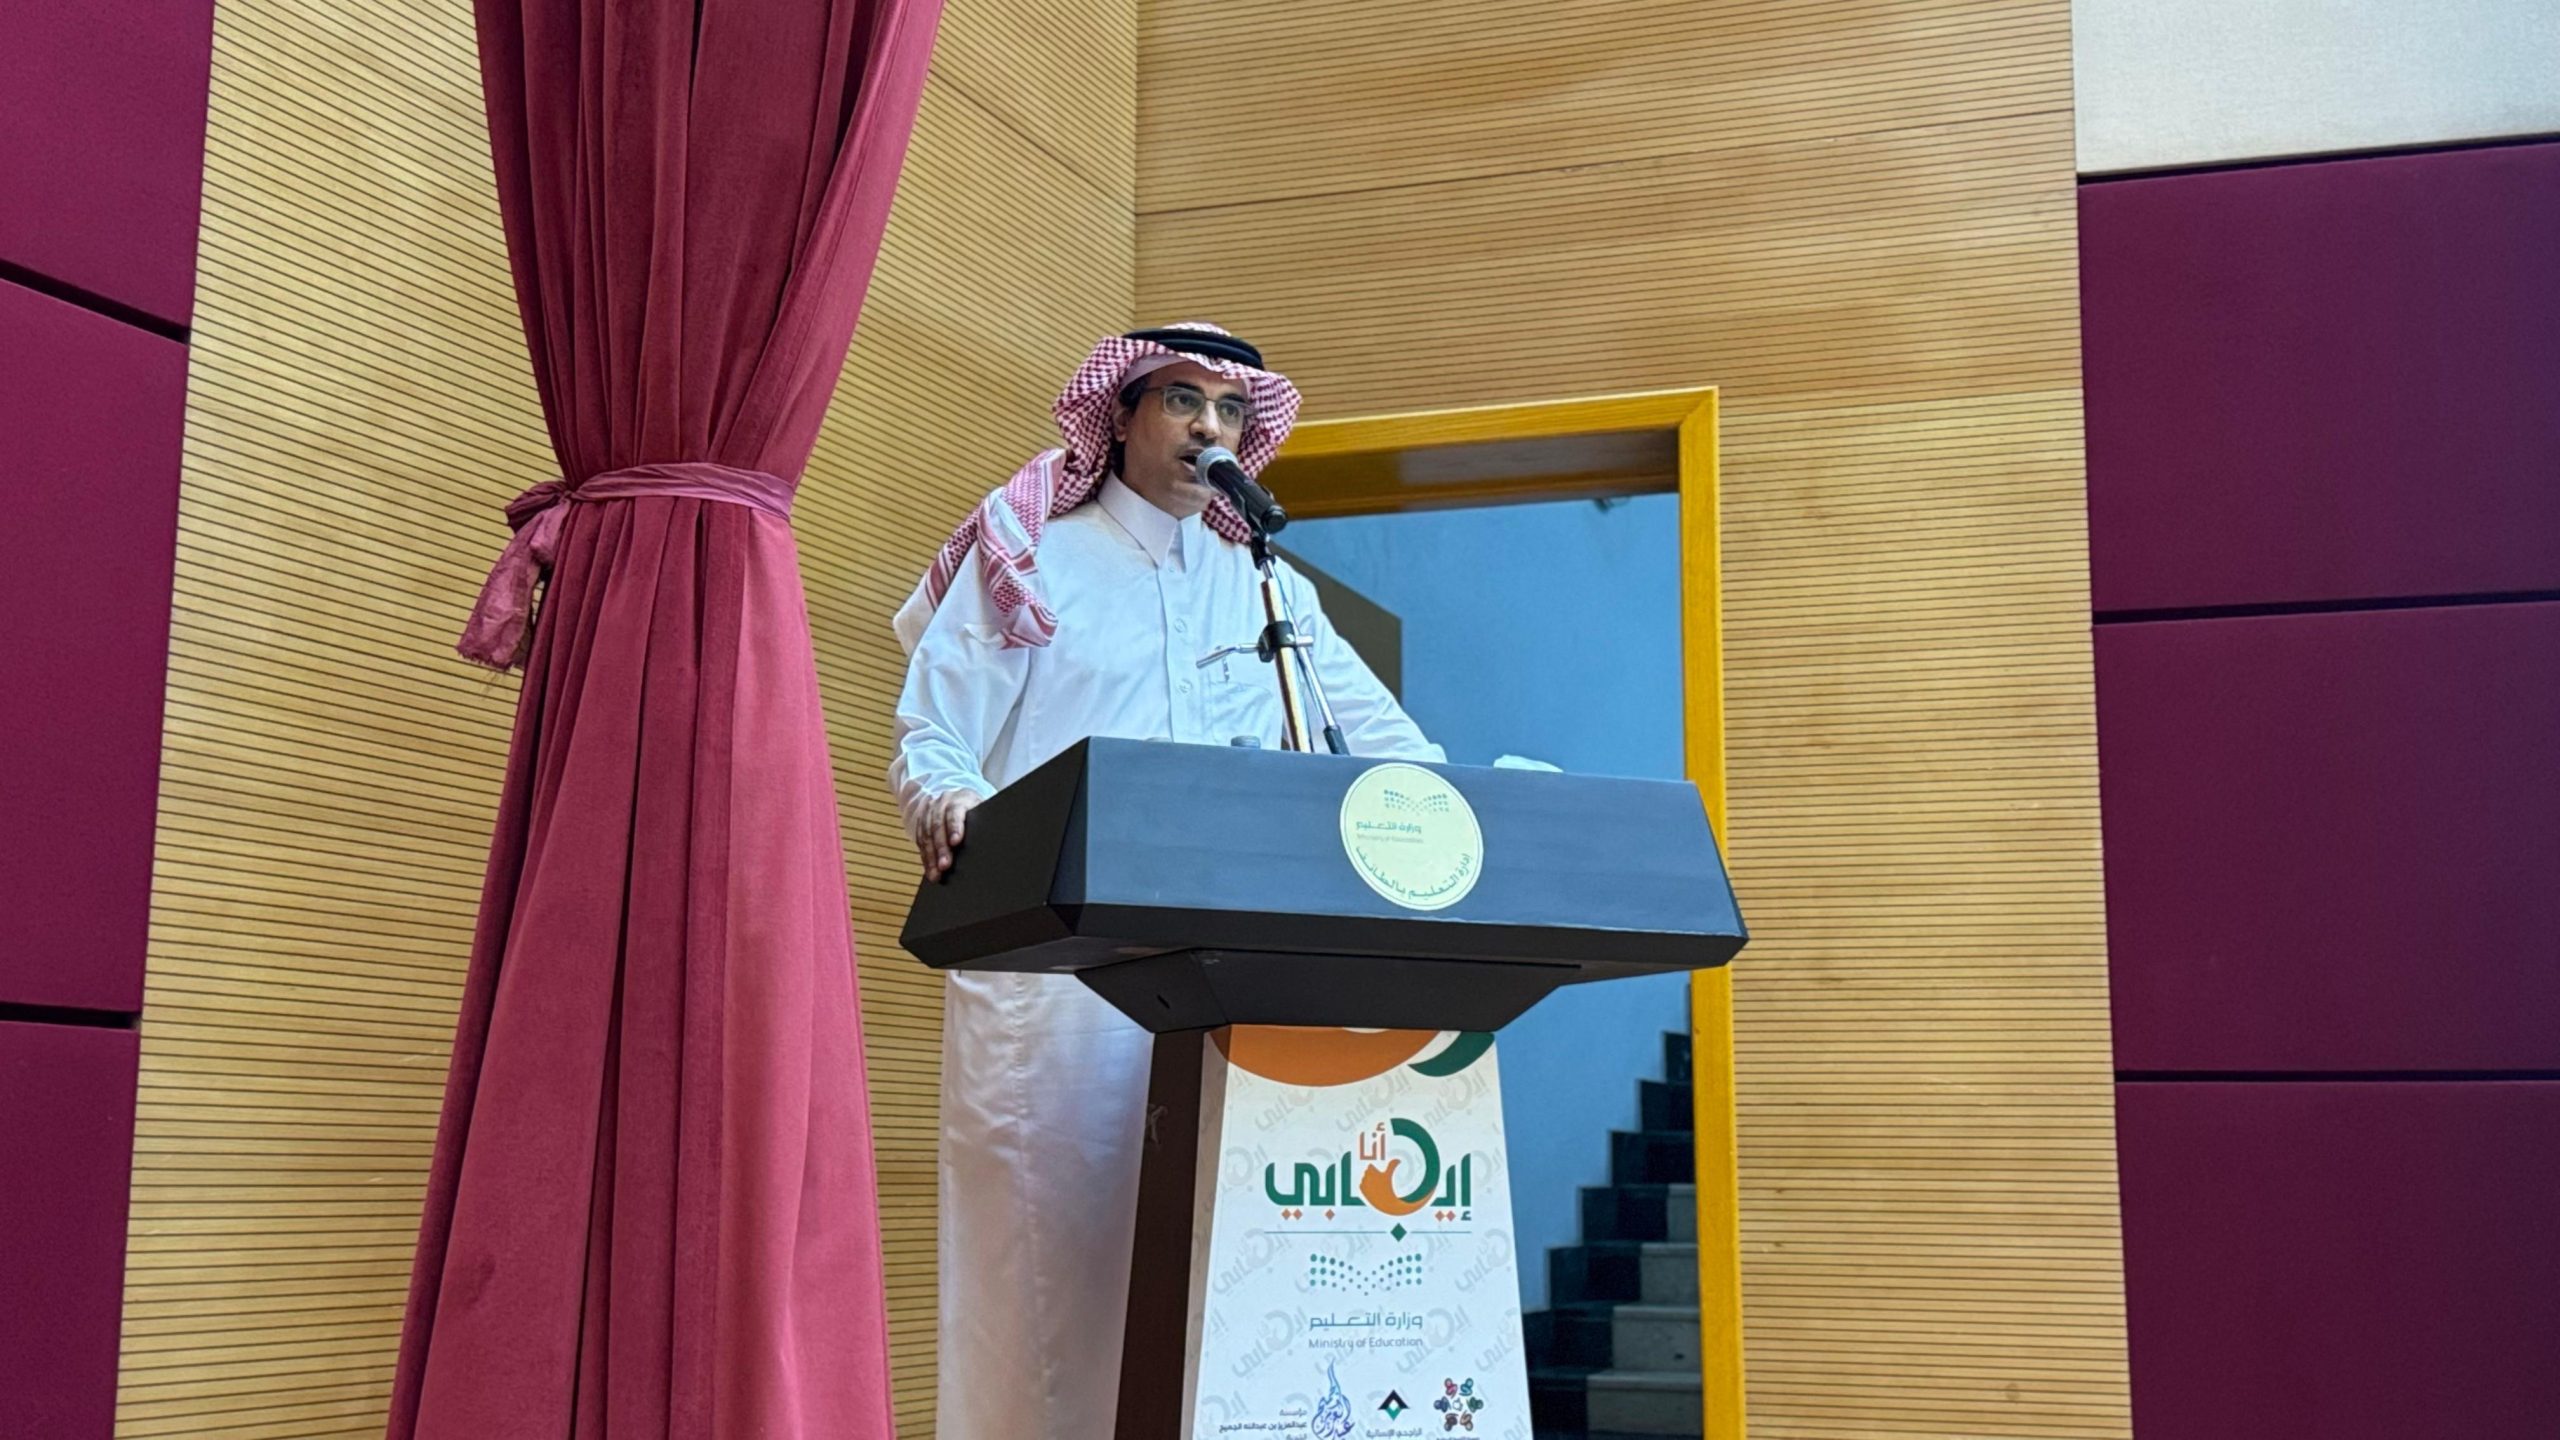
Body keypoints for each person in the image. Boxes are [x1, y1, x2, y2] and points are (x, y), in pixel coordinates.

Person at [888, 323, 1442, 1438]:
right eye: (1183, 401)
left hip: (1221, 979)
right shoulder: (1033, 556)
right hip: (1057, 979)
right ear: (1121, 416)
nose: (1209, 428)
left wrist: (1450, 823)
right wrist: (946, 796)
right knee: (1044, 1283)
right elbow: (935, 734)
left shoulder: (1264, 585)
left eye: (1230, 410)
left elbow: (1391, 751)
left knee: (1204, 1276)